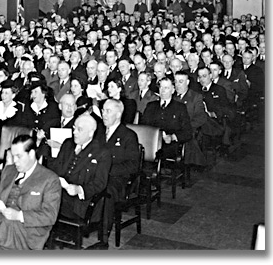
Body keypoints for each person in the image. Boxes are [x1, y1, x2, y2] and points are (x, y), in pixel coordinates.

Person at [46, 113, 111, 221]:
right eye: (74, 128)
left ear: (91, 133)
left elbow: (100, 183)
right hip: (58, 194)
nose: (74, 132)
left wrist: (79, 189)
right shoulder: (68, 144)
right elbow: (56, 168)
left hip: (80, 203)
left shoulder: (102, 153)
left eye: (79, 130)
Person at [95, 98, 139, 248]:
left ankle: (104, 237)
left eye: (108, 111)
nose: (103, 114)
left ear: (119, 114)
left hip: (118, 180)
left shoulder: (128, 136)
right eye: (102, 111)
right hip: (96, 175)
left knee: (105, 193)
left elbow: (133, 166)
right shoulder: (98, 132)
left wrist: (106, 171)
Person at [140, 77, 193, 159]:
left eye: (166, 88)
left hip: (169, 145)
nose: (163, 90)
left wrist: (172, 137)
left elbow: (187, 131)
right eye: (161, 87)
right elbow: (143, 126)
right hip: (150, 143)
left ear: (172, 90)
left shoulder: (180, 107)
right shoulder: (151, 106)